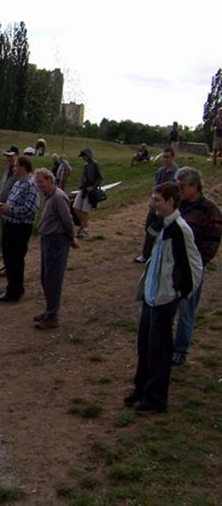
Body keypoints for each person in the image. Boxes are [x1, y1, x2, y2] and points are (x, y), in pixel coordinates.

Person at [125, 183, 202, 413]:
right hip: (151, 296)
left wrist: (178, 293)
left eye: (157, 200)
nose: (153, 203)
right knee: (145, 346)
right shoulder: (163, 225)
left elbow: (193, 267)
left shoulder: (180, 230)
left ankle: (156, 398)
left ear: (170, 201)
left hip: (164, 299)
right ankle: (141, 388)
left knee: (159, 350)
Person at [171, 167, 222, 366]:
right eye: (177, 185)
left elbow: (211, 244)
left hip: (192, 269)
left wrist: (194, 265)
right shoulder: (176, 205)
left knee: (186, 309)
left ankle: (180, 349)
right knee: (165, 307)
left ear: (195, 187)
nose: (179, 189)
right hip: (171, 265)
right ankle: (163, 345)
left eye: (182, 186)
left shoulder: (210, 210)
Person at [33, 168, 80, 329]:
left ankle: (52, 316)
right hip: (47, 240)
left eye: (41, 182)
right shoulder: (49, 196)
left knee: (53, 279)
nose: (38, 185)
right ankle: (49, 310)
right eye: (37, 182)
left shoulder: (59, 197)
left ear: (50, 180)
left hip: (57, 241)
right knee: (46, 278)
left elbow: (67, 220)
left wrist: (72, 238)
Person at [0, 156, 40, 302]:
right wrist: (1, 208)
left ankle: (15, 292)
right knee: (8, 258)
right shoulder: (17, 183)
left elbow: (31, 210)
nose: (13, 168)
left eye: (16, 166)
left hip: (20, 228)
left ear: (23, 167)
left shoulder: (31, 185)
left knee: (16, 259)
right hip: (9, 225)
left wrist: (10, 210)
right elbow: (11, 204)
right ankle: (12, 288)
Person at [134, 147, 179, 263]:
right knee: (149, 227)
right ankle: (146, 255)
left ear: (173, 157)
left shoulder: (177, 173)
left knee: (162, 231)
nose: (165, 159)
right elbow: (156, 187)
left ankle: (157, 255)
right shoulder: (160, 171)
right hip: (155, 204)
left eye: (168, 157)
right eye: (164, 157)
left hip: (167, 207)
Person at [0, 146, 20, 278]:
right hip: (2, 210)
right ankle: (5, 263)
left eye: (11, 155)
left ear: (17, 155)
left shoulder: (18, 173)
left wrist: (7, 206)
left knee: (11, 242)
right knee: (3, 239)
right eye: (7, 156)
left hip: (11, 212)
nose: (9, 158)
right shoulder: (7, 171)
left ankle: (10, 267)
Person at [73, 147, 103, 238]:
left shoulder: (95, 164)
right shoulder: (85, 166)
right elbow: (83, 179)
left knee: (85, 210)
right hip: (83, 189)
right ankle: (84, 224)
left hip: (91, 191)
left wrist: (93, 187)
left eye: (84, 156)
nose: (83, 158)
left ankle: (85, 228)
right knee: (75, 207)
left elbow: (100, 178)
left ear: (88, 156)